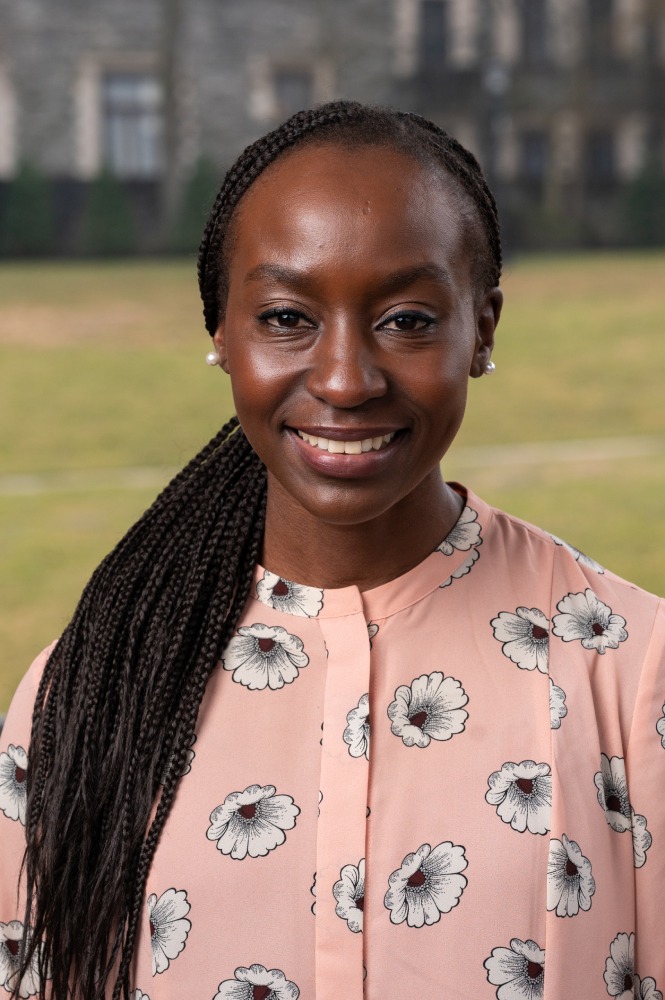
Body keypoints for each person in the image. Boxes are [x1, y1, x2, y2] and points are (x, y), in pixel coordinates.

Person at [0, 100, 663, 1000]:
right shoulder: (87, 691)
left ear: (484, 327)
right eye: (284, 317)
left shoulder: (630, 672)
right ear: (220, 333)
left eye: (407, 319)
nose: (347, 379)